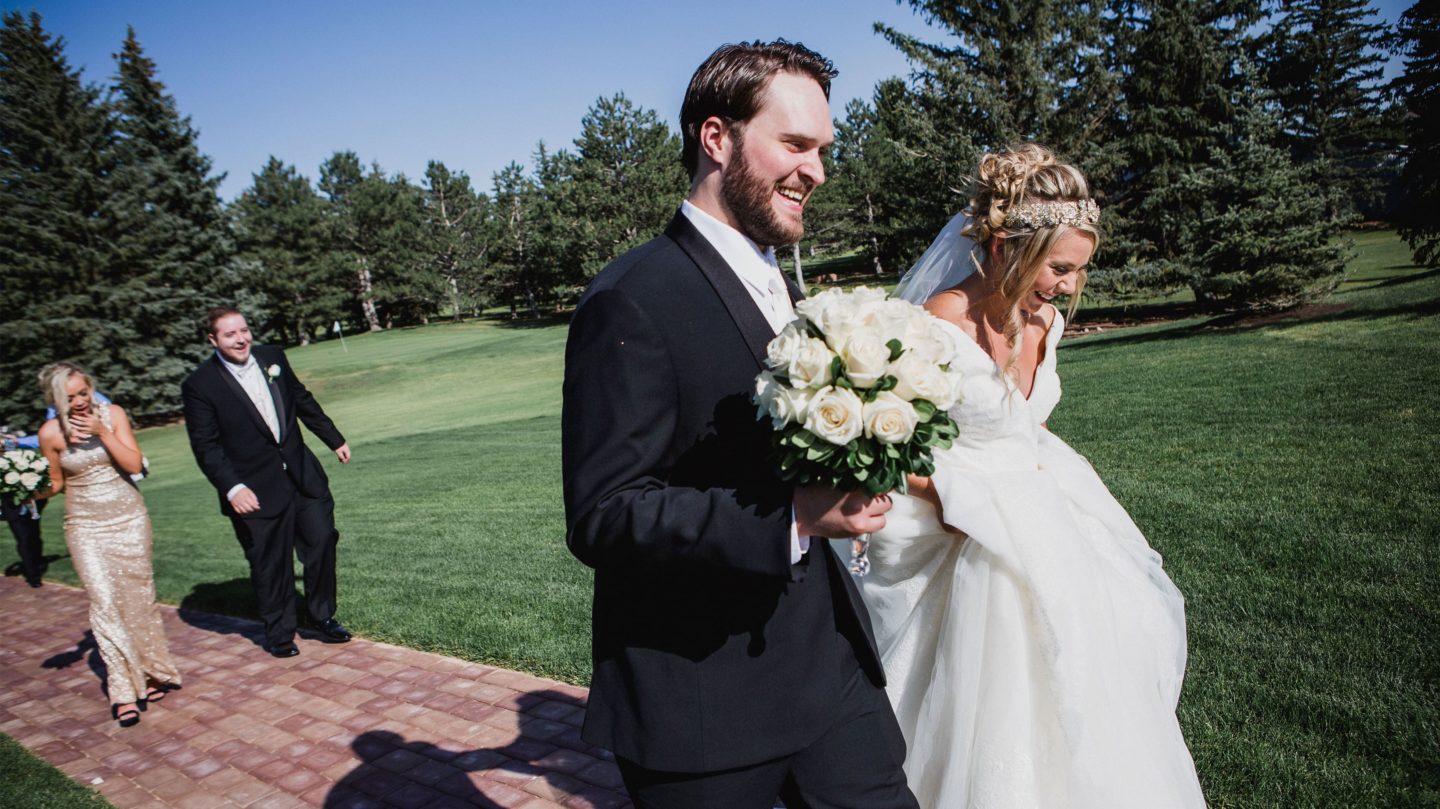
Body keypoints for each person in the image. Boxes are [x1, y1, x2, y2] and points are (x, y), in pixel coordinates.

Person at [562, 41, 919, 809]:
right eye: (794, 144)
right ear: (715, 139)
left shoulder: (780, 282)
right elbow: (605, 513)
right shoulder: (631, 297)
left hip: (830, 676)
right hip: (704, 711)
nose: (817, 170)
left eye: (823, 150)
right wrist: (792, 517)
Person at [860, 143, 1207, 807]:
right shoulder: (940, 320)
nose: (1070, 286)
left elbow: (1026, 424)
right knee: (984, 693)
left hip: (1044, 512)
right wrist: (967, 504)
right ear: (1007, 243)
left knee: (1089, 675)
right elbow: (893, 441)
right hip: (958, 525)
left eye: (1079, 270)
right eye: (1059, 266)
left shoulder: (1046, 320)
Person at [181, 307, 353, 658]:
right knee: (271, 563)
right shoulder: (200, 385)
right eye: (230, 334)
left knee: (321, 539)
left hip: (302, 473)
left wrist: (333, 438)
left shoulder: (271, 357)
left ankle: (323, 616)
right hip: (253, 489)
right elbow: (206, 446)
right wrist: (233, 488)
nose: (241, 338)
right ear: (212, 340)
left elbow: (301, 399)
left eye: (244, 330)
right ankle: (280, 634)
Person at [33, 362, 180, 727]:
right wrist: (22, 489)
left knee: (138, 600)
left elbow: (133, 463)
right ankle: (123, 691)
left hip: (129, 518)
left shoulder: (112, 414)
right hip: (83, 525)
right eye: (71, 398)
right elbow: (54, 483)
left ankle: (152, 673)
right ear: (55, 400)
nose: (81, 401)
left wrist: (103, 430)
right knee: (104, 602)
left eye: (84, 392)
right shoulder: (50, 433)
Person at [2, 428, 46, 587]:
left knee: (35, 536)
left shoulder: (9, 448)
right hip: (11, 506)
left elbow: (17, 459)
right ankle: (33, 576)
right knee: (23, 539)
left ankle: (38, 563)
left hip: (31, 501)